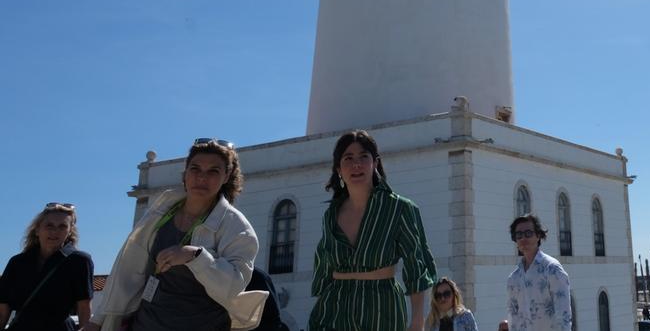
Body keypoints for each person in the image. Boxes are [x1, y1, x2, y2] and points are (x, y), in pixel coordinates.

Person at [86, 139, 266, 331]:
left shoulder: (236, 227)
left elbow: (233, 287)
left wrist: (195, 256)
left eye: (213, 171)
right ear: (185, 173)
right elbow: (126, 273)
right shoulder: (161, 212)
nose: (202, 177)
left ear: (226, 176)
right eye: (195, 168)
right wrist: (97, 321)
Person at [308, 129, 437, 331]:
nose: (356, 164)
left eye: (363, 157)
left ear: (375, 163)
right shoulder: (330, 215)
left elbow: (416, 266)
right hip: (333, 309)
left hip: (382, 309)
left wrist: (417, 323)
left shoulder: (400, 209)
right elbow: (323, 268)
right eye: (348, 158)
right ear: (338, 169)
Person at [0, 203, 94, 330]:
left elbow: (84, 308)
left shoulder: (80, 262)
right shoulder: (17, 263)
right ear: (37, 230)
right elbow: (3, 308)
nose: (55, 231)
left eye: (62, 226)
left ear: (69, 231)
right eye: (49, 225)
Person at [501, 214, 571, 331]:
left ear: (538, 235)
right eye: (519, 235)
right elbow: (513, 319)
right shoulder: (513, 278)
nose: (523, 238)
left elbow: (563, 317)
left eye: (528, 233)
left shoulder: (552, 269)